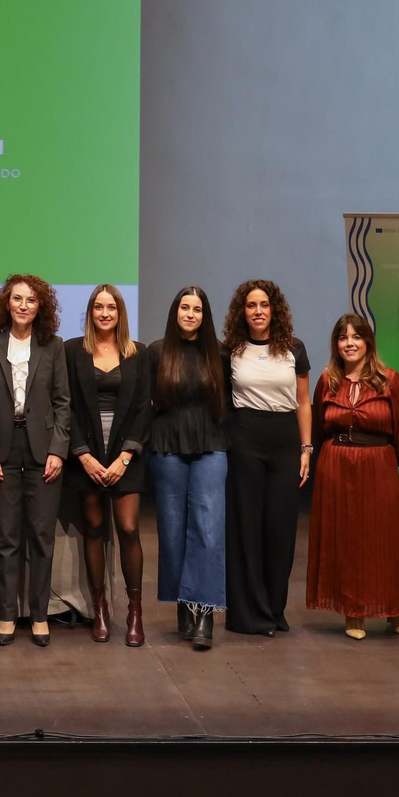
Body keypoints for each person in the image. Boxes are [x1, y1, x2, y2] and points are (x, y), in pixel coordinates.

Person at [0, 274, 71, 647]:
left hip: (43, 451)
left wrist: (58, 450)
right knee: (6, 538)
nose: (24, 305)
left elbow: (63, 403)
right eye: (17, 299)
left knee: (42, 537)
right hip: (3, 449)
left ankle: (40, 615)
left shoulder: (54, 347)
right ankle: (8, 615)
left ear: (40, 306)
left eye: (31, 300)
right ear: (6, 304)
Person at [306, 314, 399, 639]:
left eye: (356, 337)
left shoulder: (390, 380)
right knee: (346, 541)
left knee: (383, 540)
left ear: (368, 341)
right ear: (336, 345)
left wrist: (387, 462)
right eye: (343, 337)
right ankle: (353, 613)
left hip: (377, 467)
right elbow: (318, 425)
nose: (349, 343)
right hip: (336, 466)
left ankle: (395, 610)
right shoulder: (328, 380)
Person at [221, 279, 311, 637]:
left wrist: (306, 448)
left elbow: (304, 401)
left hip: (285, 442)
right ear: (242, 312)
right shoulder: (231, 349)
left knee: (280, 528)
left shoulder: (294, 348)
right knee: (246, 527)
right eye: (251, 306)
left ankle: (274, 610)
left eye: (264, 305)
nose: (258, 312)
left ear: (275, 309)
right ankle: (247, 614)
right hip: (244, 440)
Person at [64, 284, 151, 645]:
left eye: (111, 308)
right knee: (94, 529)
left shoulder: (137, 353)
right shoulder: (72, 351)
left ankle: (134, 613)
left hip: (125, 455)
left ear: (120, 313)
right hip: (85, 455)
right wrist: (83, 454)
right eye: (98, 307)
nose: (104, 313)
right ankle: (99, 610)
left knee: (128, 529)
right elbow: (64, 405)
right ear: (90, 312)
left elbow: (145, 406)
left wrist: (125, 456)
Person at [145, 286, 228, 651]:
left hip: (211, 447)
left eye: (197, 309)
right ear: (175, 312)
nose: (190, 314)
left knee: (208, 530)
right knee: (174, 532)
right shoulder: (157, 352)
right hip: (167, 449)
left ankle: (204, 614)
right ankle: (183, 601)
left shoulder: (220, 353)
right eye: (185, 307)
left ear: (204, 315)